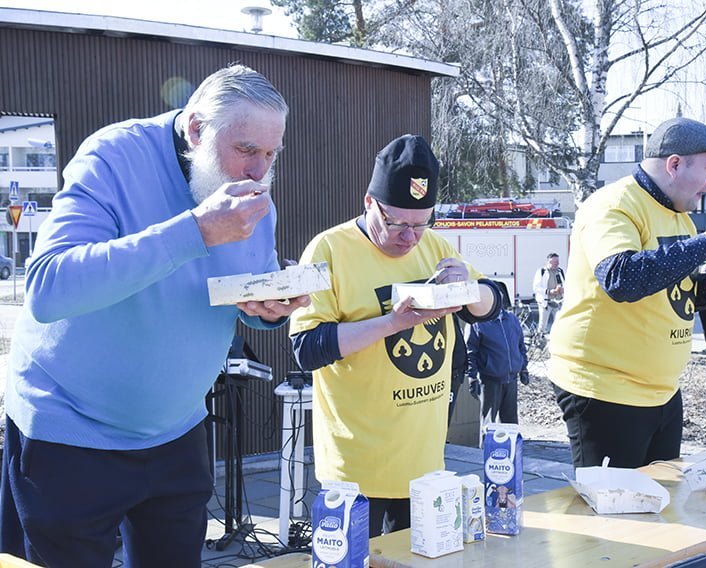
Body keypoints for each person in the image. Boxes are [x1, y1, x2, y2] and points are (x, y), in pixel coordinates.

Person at [0, 65, 310, 567]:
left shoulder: (252, 197)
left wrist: (270, 310)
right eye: (247, 150)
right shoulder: (114, 155)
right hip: (71, 431)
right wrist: (196, 231)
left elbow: (246, 292)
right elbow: (48, 287)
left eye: (272, 154)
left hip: (177, 431)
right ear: (195, 129)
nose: (259, 171)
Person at [288, 134, 500, 538]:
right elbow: (307, 349)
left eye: (421, 224)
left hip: (423, 463)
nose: (409, 237)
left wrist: (470, 290)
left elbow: (495, 304)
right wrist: (392, 323)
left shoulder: (435, 245)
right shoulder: (329, 250)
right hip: (356, 466)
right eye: (397, 223)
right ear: (369, 203)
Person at [548, 117, 706, 469]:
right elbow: (621, 278)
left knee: (660, 508)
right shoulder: (613, 205)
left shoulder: (680, 217)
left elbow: (677, 296)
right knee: (615, 513)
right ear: (674, 164)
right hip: (604, 390)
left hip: (661, 392)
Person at [466, 282, 530, 425]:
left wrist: (524, 368)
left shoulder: (512, 319)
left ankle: (511, 448)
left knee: (511, 423)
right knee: (489, 424)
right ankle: (486, 448)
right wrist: (472, 378)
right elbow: (471, 352)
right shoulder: (477, 323)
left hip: (511, 379)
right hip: (490, 381)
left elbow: (520, 344)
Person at [532, 252, 564, 335]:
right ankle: (539, 341)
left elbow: (564, 283)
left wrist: (562, 290)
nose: (557, 264)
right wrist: (549, 291)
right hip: (545, 302)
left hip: (557, 302)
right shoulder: (541, 272)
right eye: (555, 262)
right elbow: (536, 288)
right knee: (543, 324)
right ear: (549, 262)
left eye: (558, 262)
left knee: (558, 323)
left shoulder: (560, 271)